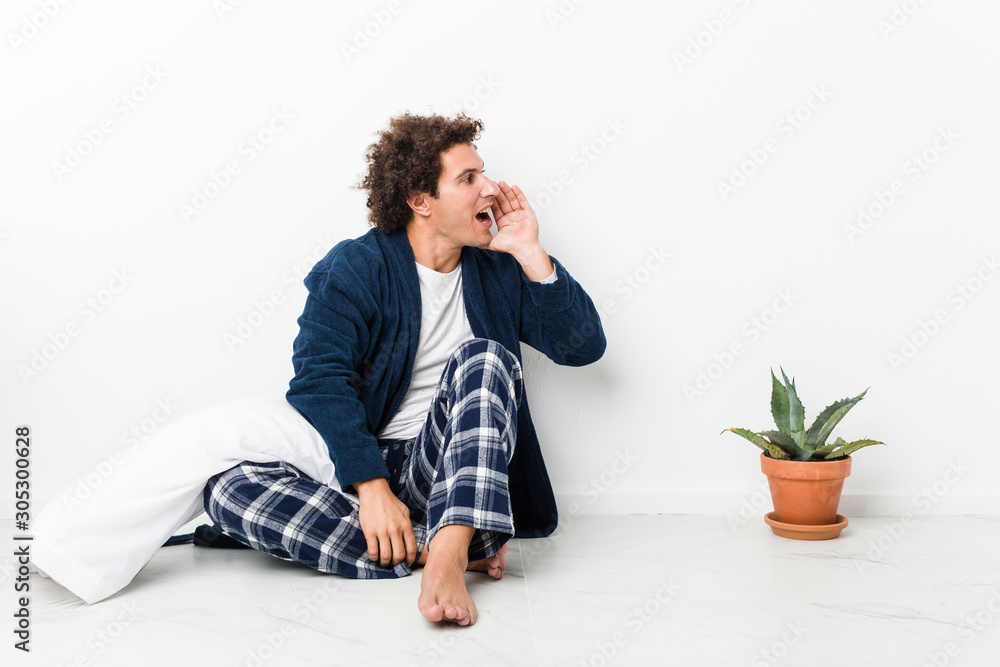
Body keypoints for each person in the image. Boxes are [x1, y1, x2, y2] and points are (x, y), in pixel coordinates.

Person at [200, 112, 606, 625]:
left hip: (454, 467)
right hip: (364, 468)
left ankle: (448, 551)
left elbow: (582, 347)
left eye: (483, 172)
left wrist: (530, 252)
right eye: (468, 178)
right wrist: (371, 488)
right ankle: (434, 545)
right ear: (420, 201)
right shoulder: (356, 266)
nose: (491, 188)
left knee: (485, 358)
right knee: (226, 489)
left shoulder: (500, 268)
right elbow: (319, 382)